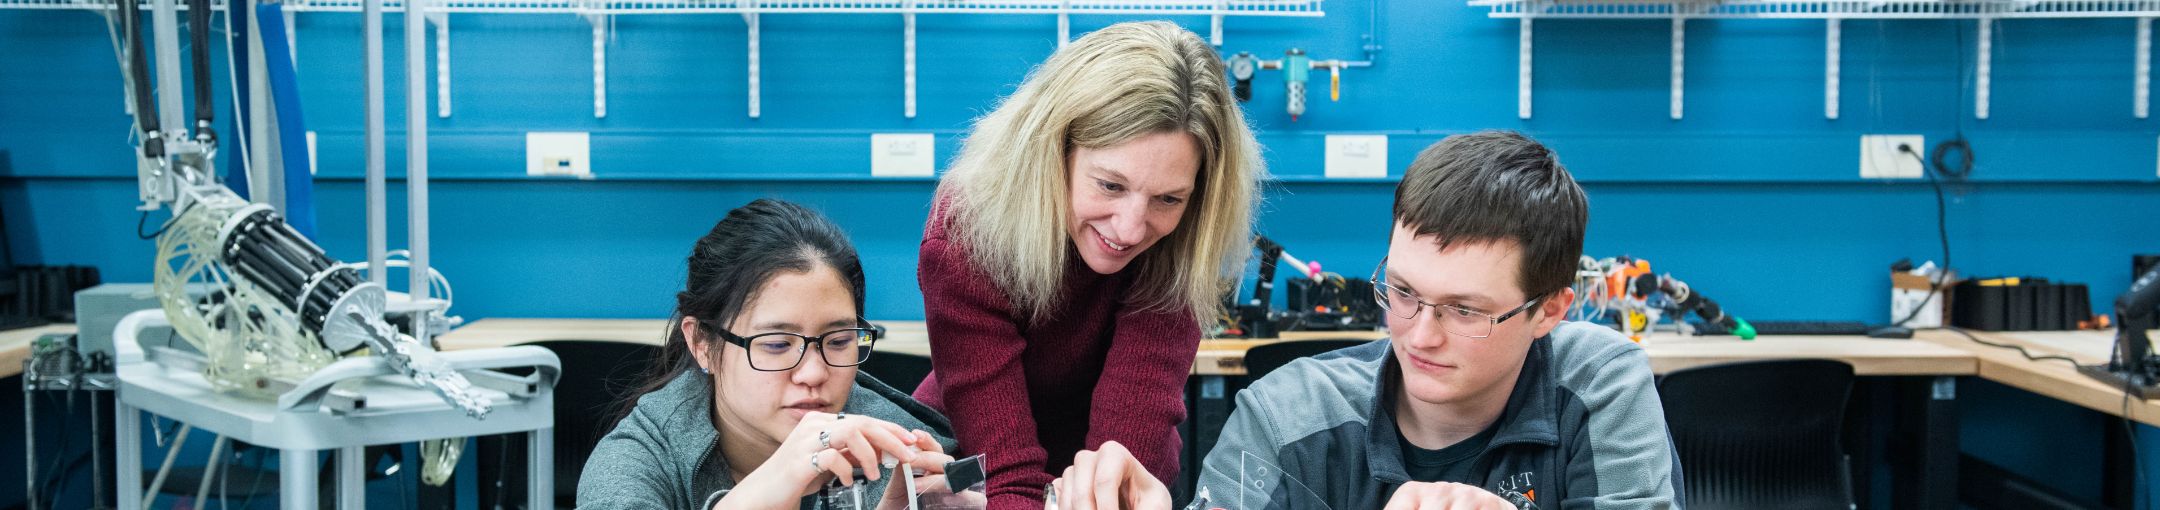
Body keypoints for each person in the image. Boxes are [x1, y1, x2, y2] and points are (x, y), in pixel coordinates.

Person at [1061, 131, 1685, 509]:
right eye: (1404, 292)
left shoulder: (1598, 381)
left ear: (1550, 309)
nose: (1419, 333)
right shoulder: (1285, 414)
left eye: (1465, 310)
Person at [910, 20, 1263, 509]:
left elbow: (1120, 471)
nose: (1130, 230)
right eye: (1110, 186)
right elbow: (1008, 477)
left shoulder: (1180, 242)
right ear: (1053, 152)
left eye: (1168, 198)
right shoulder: (966, 233)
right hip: (976, 464)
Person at [580, 198, 965, 510]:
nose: (813, 373)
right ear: (702, 344)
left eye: (837, 341)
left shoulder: (908, 447)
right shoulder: (635, 463)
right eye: (778, 345)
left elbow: (978, 482)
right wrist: (767, 489)